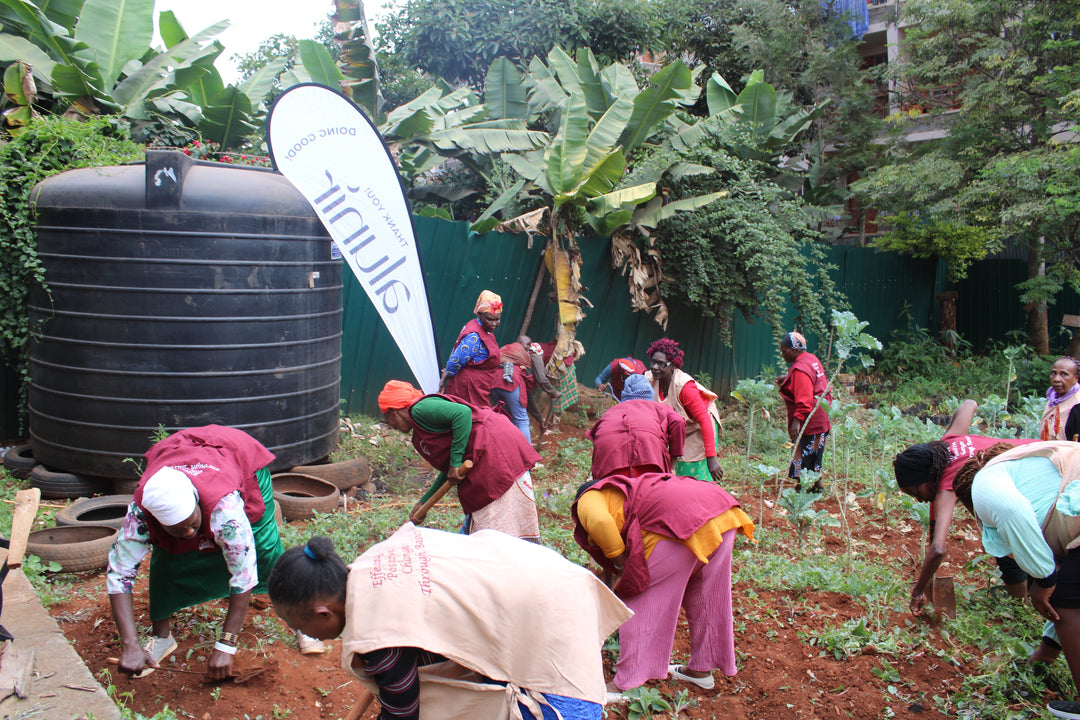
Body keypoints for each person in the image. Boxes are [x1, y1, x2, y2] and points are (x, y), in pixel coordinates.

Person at [268, 528, 632, 719]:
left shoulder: (376, 636)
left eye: (298, 625)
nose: (306, 635)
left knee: (561, 697)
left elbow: (403, 713)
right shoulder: (372, 563)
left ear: (322, 614)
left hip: (549, 629)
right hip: (552, 581)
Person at [106, 425, 323, 680]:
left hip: (239, 460)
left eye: (192, 523)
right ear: (156, 520)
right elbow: (119, 574)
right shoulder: (140, 514)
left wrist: (225, 645)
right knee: (168, 557)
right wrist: (130, 643)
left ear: (198, 503)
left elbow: (244, 570)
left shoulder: (225, 510)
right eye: (177, 529)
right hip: (181, 455)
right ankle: (161, 636)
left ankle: (300, 617)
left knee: (264, 548)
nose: (188, 533)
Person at [571, 472, 755, 692]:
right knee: (707, 595)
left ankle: (627, 684)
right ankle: (701, 670)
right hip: (722, 514)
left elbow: (600, 521)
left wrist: (621, 563)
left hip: (681, 522)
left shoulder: (587, 497)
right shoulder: (630, 489)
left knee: (645, 599)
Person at [949, 440, 1080, 720]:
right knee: (1068, 596)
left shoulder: (984, 484)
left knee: (1064, 600)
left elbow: (1012, 513)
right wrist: (1047, 649)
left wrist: (1043, 581)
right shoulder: (1033, 481)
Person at [894, 399, 1038, 616]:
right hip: (1040, 450)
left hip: (1034, 475)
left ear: (927, 478)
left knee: (1007, 545)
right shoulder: (950, 441)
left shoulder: (945, 486)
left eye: (915, 492)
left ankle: (1022, 613)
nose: (918, 500)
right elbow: (968, 405)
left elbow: (938, 549)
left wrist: (917, 591)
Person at [378, 380, 543, 541]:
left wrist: (456, 462)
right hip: (488, 449)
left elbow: (462, 414)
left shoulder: (419, 409)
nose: (392, 426)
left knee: (495, 522)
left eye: (388, 419)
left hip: (494, 447)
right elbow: (449, 468)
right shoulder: (420, 426)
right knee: (484, 521)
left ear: (394, 411)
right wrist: (425, 501)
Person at [644, 338, 724, 482]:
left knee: (691, 469)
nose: (655, 367)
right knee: (671, 466)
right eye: (653, 362)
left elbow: (704, 420)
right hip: (679, 426)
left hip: (699, 426)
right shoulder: (648, 380)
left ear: (673, 365)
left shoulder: (684, 387)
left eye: (661, 364)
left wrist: (711, 458)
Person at [587, 374, 686, 479]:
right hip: (648, 456)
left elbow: (595, 434)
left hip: (608, 457)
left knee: (609, 489)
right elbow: (678, 421)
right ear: (649, 395)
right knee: (648, 491)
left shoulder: (612, 411)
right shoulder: (659, 408)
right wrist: (672, 466)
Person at [776, 331, 832, 492]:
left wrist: (796, 420)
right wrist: (788, 377)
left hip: (811, 419)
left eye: (784, 350)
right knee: (815, 453)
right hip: (822, 414)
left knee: (805, 453)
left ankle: (802, 490)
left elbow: (804, 398)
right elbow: (810, 381)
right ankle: (818, 486)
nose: (782, 353)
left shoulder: (799, 368)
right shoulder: (810, 359)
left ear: (794, 349)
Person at [490, 335, 560, 443]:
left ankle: (501, 446)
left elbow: (528, 397)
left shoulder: (511, 354)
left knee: (505, 417)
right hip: (511, 383)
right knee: (522, 420)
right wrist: (553, 392)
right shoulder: (534, 355)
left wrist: (540, 419)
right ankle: (527, 456)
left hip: (494, 383)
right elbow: (541, 379)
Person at [439, 290, 503, 407]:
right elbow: (457, 359)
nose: (494, 324)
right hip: (468, 388)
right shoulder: (474, 336)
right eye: (490, 319)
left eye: (497, 319)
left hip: (479, 386)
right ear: (479, 314)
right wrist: (446, 375)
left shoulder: (485, 329)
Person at [1043, 356, 1080, 441]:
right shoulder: (1051, 402)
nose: (1056, 379)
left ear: (1076, 378)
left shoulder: (1077, 406)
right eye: (1054, 373)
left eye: (1064, 374)